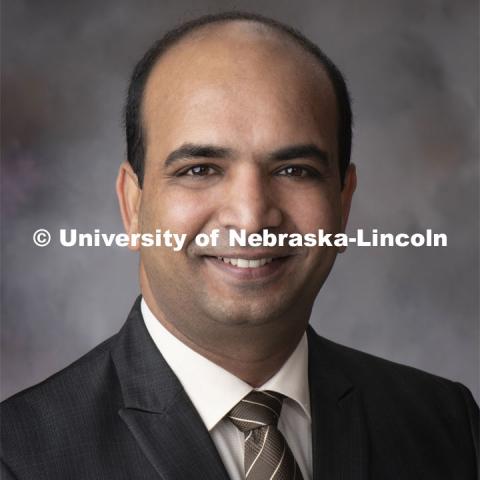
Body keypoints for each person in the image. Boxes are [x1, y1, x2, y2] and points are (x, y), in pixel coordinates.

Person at [1, 11, 478, 480]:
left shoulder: (449, 424)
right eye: (200, 169)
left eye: (295, 171)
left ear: (343, 202)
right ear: (132, 207)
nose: (251, 218)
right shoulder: (18, 456)